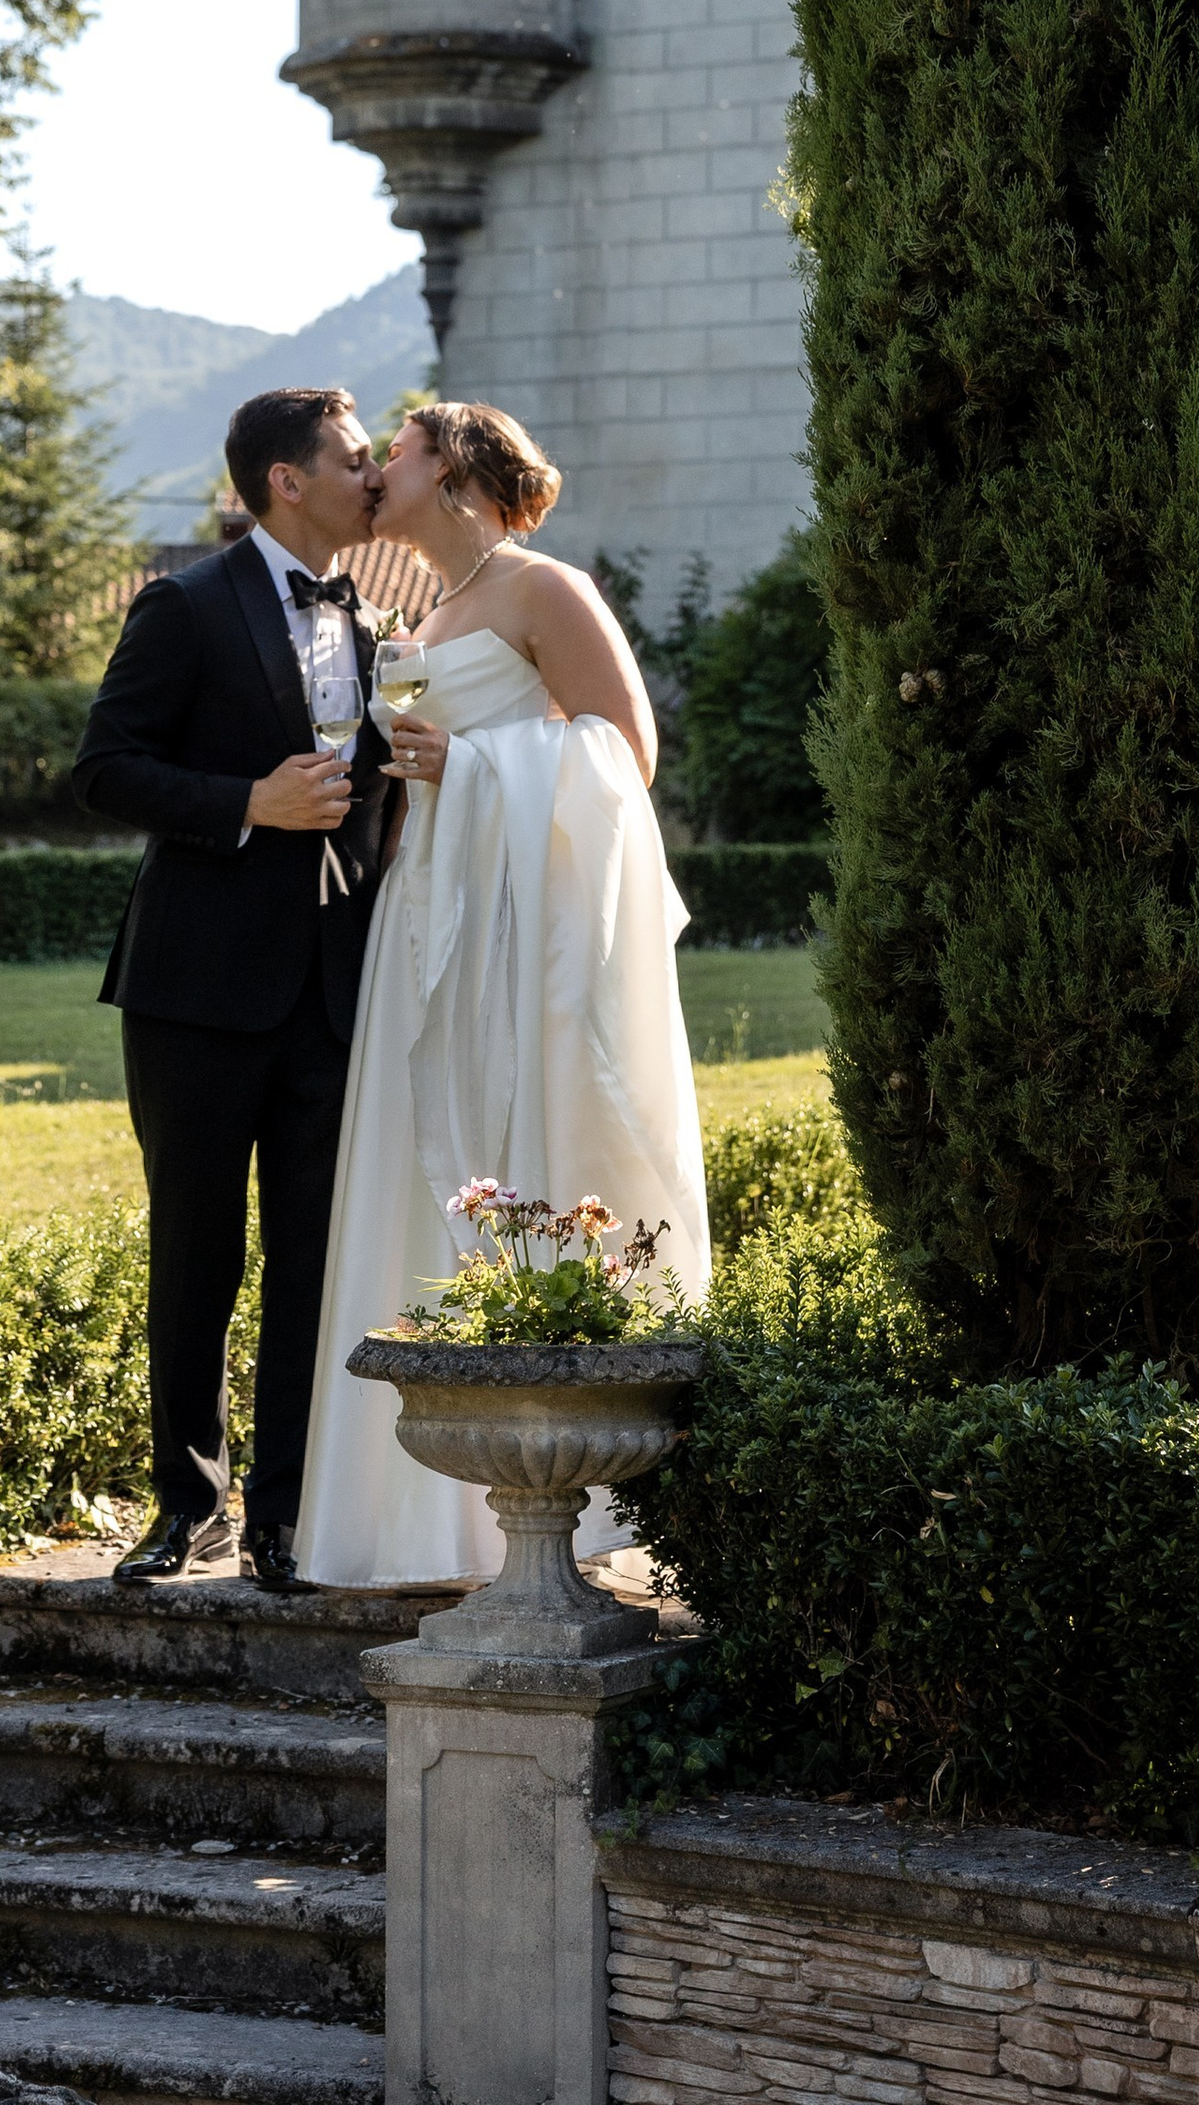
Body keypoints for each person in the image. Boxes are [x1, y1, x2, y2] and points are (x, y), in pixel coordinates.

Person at [297, 399, 710, 1587]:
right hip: (426, 907)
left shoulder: (547, 590)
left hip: (518, 926)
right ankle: (409, 1516)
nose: (378, 471)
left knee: (520, 1137)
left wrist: (476, 769)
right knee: (413, 1149)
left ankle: (548, 1496)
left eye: (401, 453)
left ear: (458, 470)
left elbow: (623, 755)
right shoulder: (420, 609)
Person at [71, 385, 400, 1591]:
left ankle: (286, 1517)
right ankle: (185, 1508)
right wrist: (242, 805)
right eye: (356, 458)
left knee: (314, 1262)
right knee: (195, 1256)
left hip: (331, 992)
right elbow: (104, 771)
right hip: (194, 993)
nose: (375, 477)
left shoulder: (378, 626)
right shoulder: (185, 605)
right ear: (286, 480)